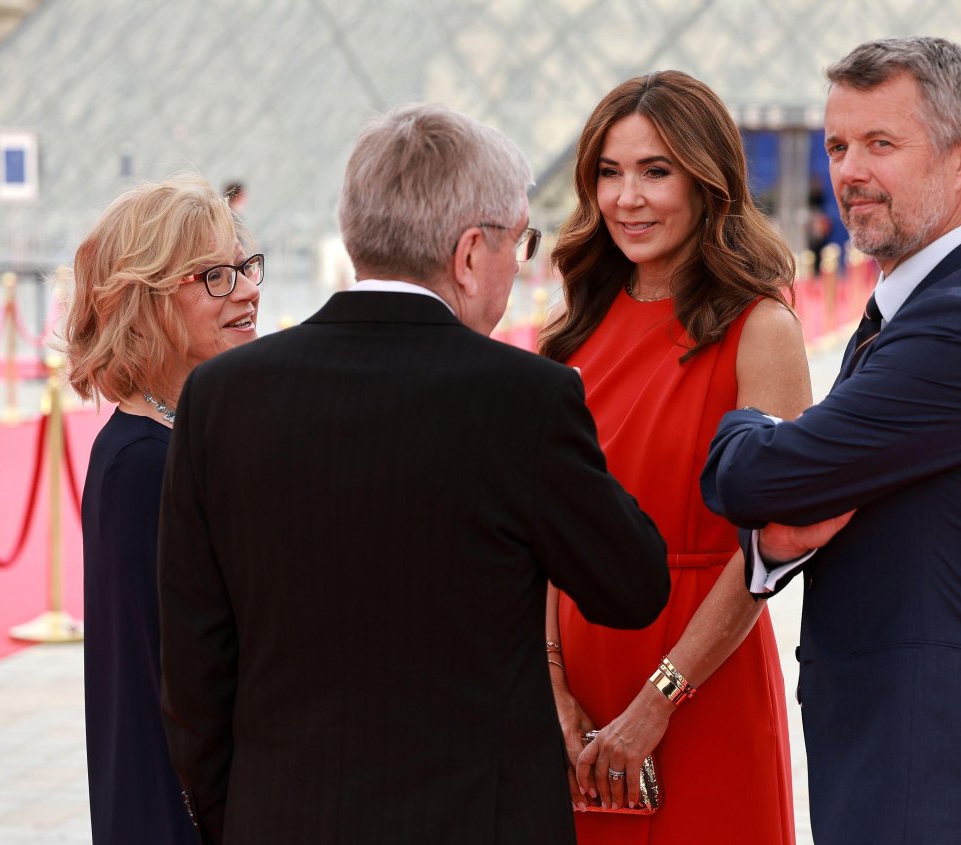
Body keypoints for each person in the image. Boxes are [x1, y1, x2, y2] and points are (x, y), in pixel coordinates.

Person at [157, 103, 671, 845]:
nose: (517, 264)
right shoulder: (525, 399)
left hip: (282, 816)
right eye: (517, 242)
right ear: (469, 254)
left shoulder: (221, 394)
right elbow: (633, 585)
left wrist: (236, 816)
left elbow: (193, 669)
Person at [701, 37, 961, 845]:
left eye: (880, 144)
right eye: (837, 145)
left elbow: (757, 480)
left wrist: (744, 424)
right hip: (904, 750)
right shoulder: (920, 309)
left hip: (926, 768)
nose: (849, 170)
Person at [539, 70, 811, 843]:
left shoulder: (763, 330)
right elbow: (536, 534)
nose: (627, 198)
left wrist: (661, 697)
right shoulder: (572, 335)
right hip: (577, 690)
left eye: (655, 172)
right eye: (609, 172)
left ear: (707, 182)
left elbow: (776, 539)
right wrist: (550, 685)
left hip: (706, 681)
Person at [64, 174, 263, 845]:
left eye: (244, 266)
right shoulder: (141, 465)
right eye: (213, 276)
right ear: (146, 301)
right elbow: (166, 690)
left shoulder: (181, 438)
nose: (246, 290)